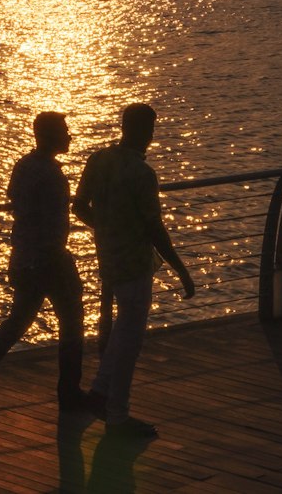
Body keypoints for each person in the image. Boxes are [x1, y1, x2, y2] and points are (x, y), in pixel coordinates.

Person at [0, 112, 94, 416]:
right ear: (51, 136)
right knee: (71, 320)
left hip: (24, 256)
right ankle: (69, 391)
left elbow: (17, 204)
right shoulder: (50, 175)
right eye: (65, 131)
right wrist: (56, 255)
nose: (70, 136)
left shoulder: (24, 166)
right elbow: (52, 224)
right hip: (48, 258)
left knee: (18, 321)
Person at [73, 102, 195, 439]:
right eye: (151, 129)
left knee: (121, 334)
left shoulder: (98, 160)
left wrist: (106, 229)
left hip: (108, 259)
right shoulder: (143, 174)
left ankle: (101, 392)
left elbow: (79, 206)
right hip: (135, 265)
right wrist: (181, 270)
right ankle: (117, 414)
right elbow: (155, 228)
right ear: (142, 130)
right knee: (130, 341)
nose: (152, 136)